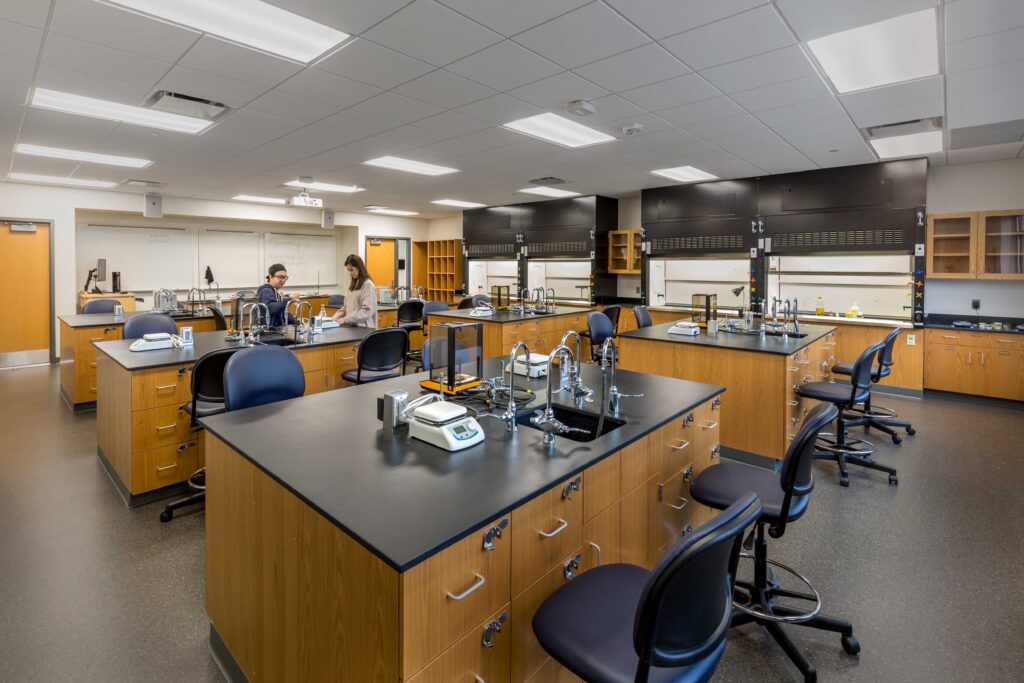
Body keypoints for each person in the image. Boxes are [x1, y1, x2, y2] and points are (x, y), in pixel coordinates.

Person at [332, 254, 377, 328]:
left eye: (352, 270)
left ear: (359, 268)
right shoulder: (353, 286)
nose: (350, 273)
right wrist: (332, 319)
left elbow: (366, 311)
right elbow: (345, 308)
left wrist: (345, 319)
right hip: (352, 327)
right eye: (348, 270)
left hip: (364, 329)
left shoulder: (367, 285)